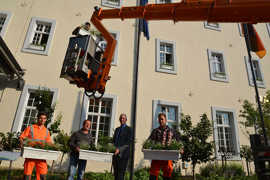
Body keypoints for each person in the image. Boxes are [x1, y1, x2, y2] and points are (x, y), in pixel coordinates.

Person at [148, 113, 181, 180]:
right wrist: (145, 146)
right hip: (157, 155)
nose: (160, 121)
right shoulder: (155, 131)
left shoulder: (172, 131)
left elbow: (179, 141)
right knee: (153, 172)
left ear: (166, 120)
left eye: (162, 119)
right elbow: (149, 141)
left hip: (167, 156)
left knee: (168, 172)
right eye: (159, 119)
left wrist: (181, 148)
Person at [20, 112, 52, 180]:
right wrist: (23, 145)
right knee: (27, 175)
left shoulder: (46, 131)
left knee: (42, 175)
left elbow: (49, 143)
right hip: (30, 155)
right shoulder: (31, 128)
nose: (42, 120)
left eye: (44, 118)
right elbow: (22, 138)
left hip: (41, 156)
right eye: (40, 118)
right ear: (37, 119)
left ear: (46, 120)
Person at [112, 113, 132, 180]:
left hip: (123, 155)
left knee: (121, 173)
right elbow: (114, 141)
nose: (122, 119)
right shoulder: (117, 129)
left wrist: (119, 150)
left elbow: (128, 142)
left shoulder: (129, 129)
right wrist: (111, 148)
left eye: (123, 118)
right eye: (121, 118)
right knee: (116, 173)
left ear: (126, 120)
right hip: (115, 154)